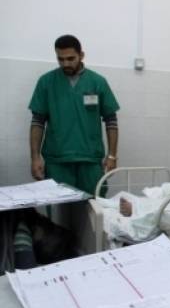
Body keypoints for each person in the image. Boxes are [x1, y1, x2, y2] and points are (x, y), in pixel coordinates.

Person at [28, 35, 120, 196]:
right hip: (57, 160)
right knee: (59, 206)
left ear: (81, 55)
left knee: (94, 204)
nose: (66, 63)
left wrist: (112, 155)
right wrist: (35, 158)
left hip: (90, 159)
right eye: (60, 59)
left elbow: (111, 120)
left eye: (71, 58)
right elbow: (37, 122)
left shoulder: (97, 82)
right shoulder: (46, 82)